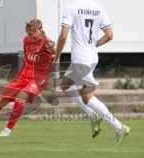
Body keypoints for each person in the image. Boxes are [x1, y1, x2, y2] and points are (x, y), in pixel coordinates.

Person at [52, 0, 130, 143]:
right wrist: (93, 45)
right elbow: (109, 35)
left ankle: (119, 127)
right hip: (91, 57)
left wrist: (56, 58)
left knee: (86, 96)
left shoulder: (71, 7)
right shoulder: (98, 7)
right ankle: (93, 115)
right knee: (65, 87)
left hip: (81, 59)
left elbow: (63, 36)